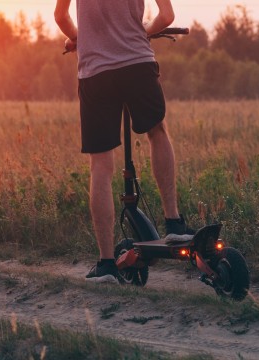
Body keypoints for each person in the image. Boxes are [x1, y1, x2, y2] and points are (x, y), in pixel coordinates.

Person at [55, 0, 188, 283]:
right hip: (137, 62)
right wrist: (144, 31)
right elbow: (166, 16)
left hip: (95, 72)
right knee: (157, 132)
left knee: (100, 165)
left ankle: (106, 264)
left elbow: (61, 15)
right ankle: (173, 222)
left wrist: (80, 38)